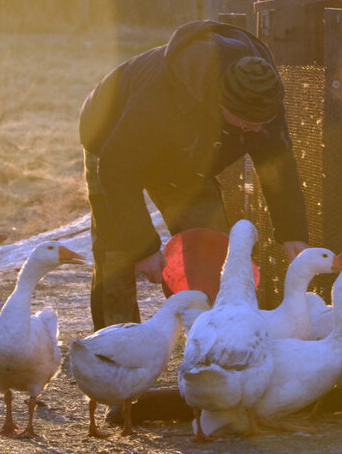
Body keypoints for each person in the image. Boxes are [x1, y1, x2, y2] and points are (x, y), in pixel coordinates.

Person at [79, 19, 310, 333]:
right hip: (109, 141)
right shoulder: (161, 96)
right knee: (117, 251)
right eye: (247, 122)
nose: (258, 130)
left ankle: (215, 336)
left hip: (184, 158)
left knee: (212, 243)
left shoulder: (262, 94)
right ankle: (115, 348)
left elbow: (277, 164)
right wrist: (143, 246)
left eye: (263, 122)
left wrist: (291, 229)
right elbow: (116, 168)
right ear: (221, 103)